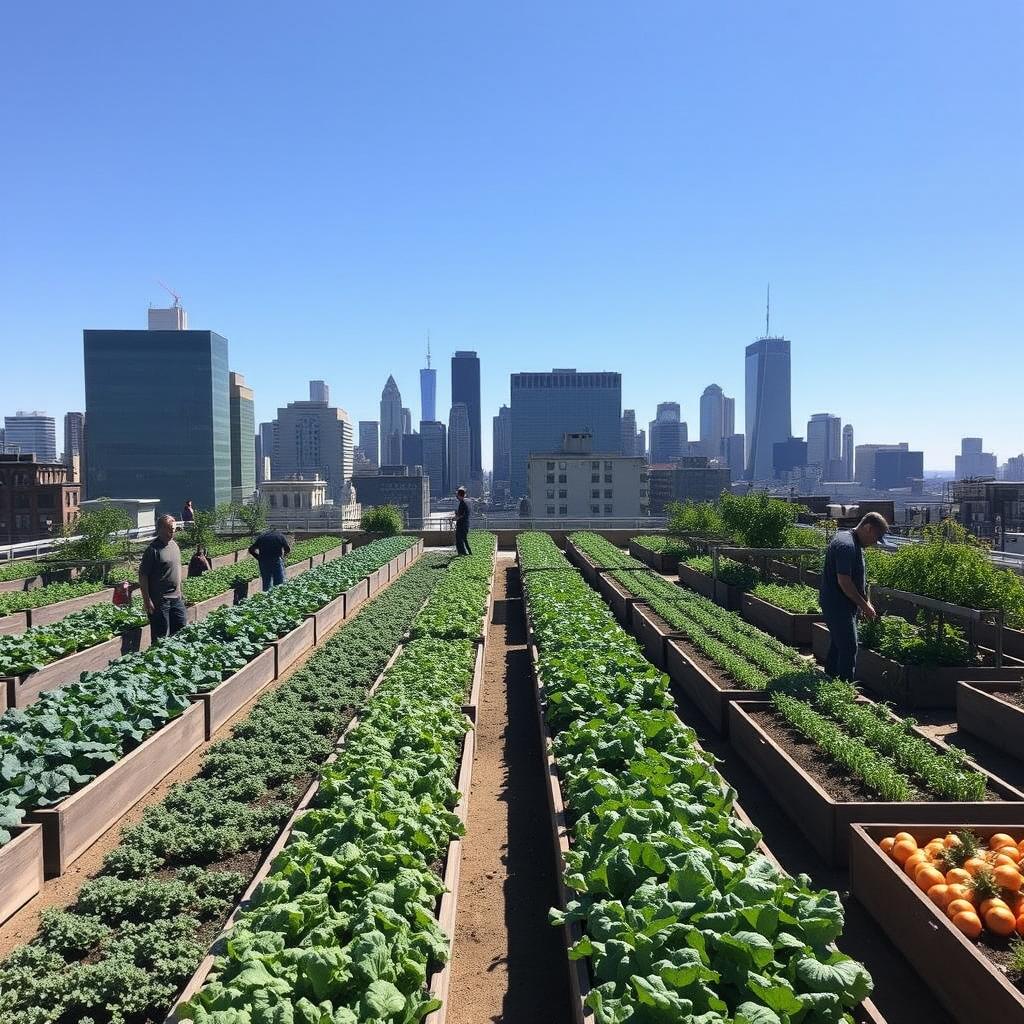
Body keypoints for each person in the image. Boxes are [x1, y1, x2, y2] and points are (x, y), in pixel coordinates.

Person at [818, 512, 888, 682]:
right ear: (868, 528)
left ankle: (830, 680)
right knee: (849, 647)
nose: (875, 543)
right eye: (876, 537)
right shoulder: (846, 545)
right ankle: (844, 687)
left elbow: (858, 580)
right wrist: (864, 606)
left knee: (838, 644)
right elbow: (845, 582)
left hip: (845, 605)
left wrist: (866, 602)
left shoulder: (853, 544)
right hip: (838, 605)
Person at [139, 514, 187, 642]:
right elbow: (143, 576)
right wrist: (147, 600)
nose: (171, 532)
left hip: (176, 598)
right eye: (168, 529)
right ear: (159, 529)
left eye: (173, 529)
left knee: (181, 630)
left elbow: (176, 570)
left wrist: (181, 591)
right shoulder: (152, 550)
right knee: (161, 636)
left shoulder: (174, 546)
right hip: (160, 601)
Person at [453, 487, 472, 556]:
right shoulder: (468, 501)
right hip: (466, 524)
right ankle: (469, 553)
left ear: (459, 495)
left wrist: (455, 518)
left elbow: (461, 515)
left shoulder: (462, 503)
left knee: (459, 540)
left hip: (462, 525)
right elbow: (465, 513)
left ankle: (462, 553)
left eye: (457, 495)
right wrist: (457, 514)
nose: (456, 496)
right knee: (464, 539)